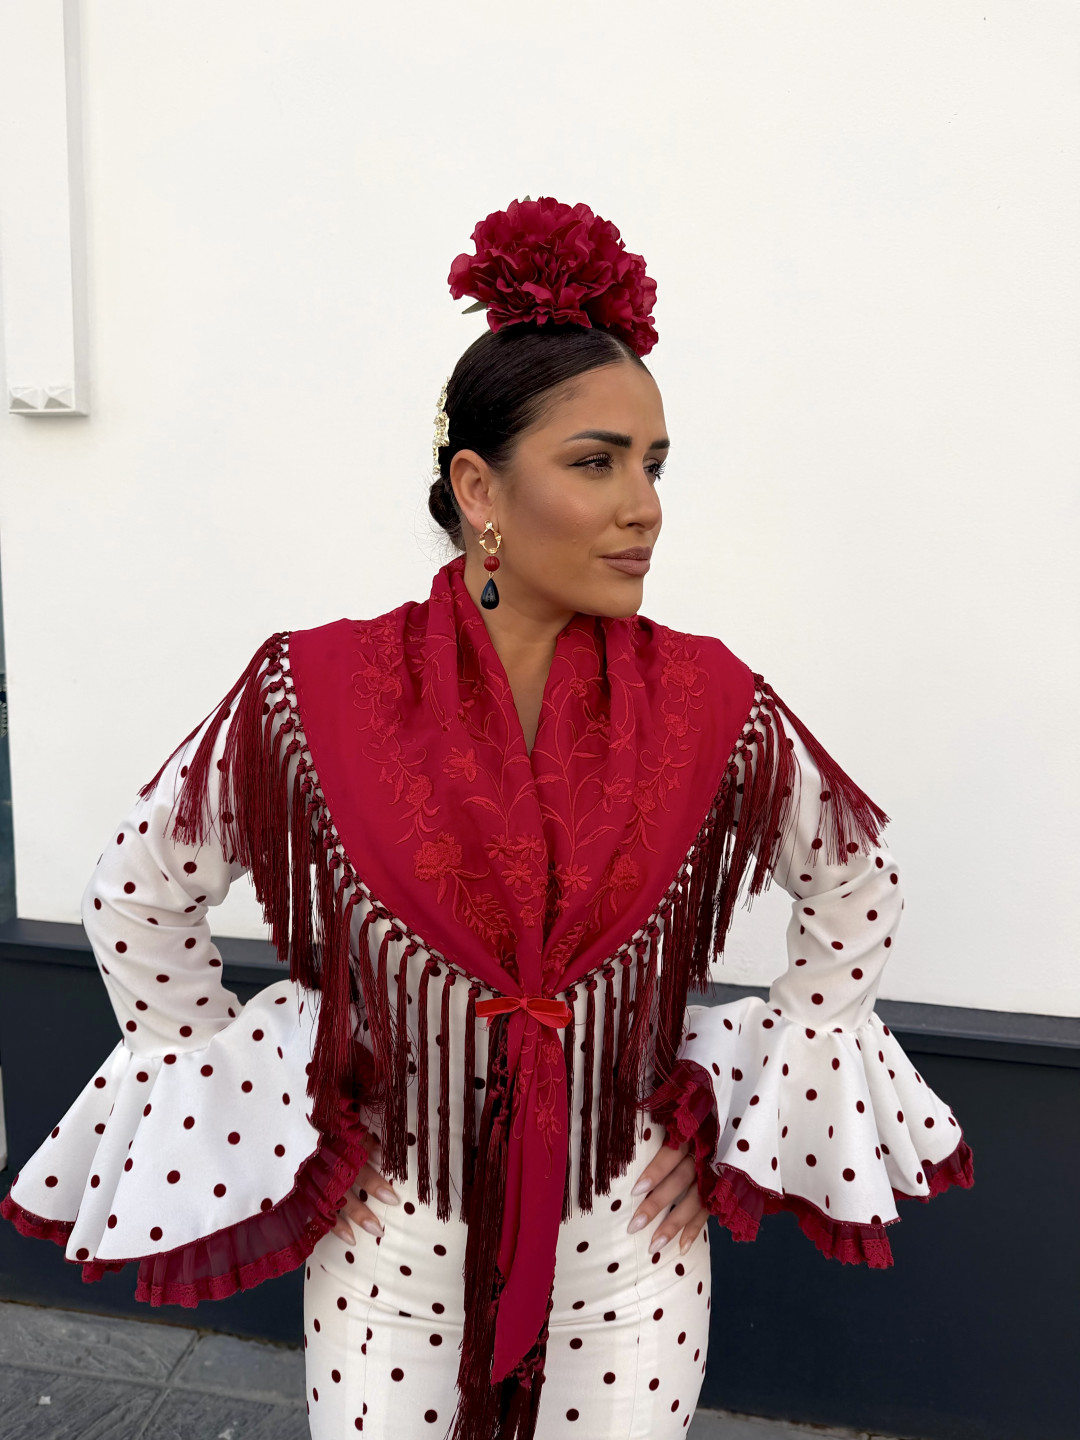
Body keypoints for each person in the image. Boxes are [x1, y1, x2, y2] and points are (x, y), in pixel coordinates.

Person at [1, 196, 974, 1440]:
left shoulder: (709, 701)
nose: (646, 506)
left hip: (631, 1262)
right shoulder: (316, 692)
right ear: (479, 487)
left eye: (655, 463)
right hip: (387, 1262)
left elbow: (856, 881)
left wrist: (723, 1105)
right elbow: (138, 892)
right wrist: (275, 1101)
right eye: (596, 461)